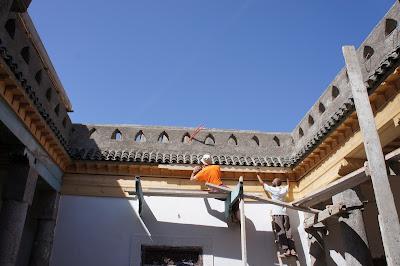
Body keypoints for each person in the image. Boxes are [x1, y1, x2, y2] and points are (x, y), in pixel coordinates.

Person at [191, 154, 240, 223]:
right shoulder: (217, 167)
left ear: (203, 164)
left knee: (233, 198)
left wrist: (194, 172)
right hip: (220, 188)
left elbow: (192, 180)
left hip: (213, 191)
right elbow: (214, 174)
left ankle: (233, 216)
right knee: (235, 196)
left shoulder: (203, 171)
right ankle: (235, 216)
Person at [257, 174, 297, 257]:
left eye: (273, 181)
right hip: (285, 213)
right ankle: (292, 250)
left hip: (277, 213)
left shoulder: (273, 189)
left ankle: (286, 250)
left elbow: (262, 183)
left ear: (275, 183)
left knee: (281, 232)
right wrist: (287, 177)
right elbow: (288, 186)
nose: (271, 182)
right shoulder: (283, 190)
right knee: (288, 231)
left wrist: (257, 175)